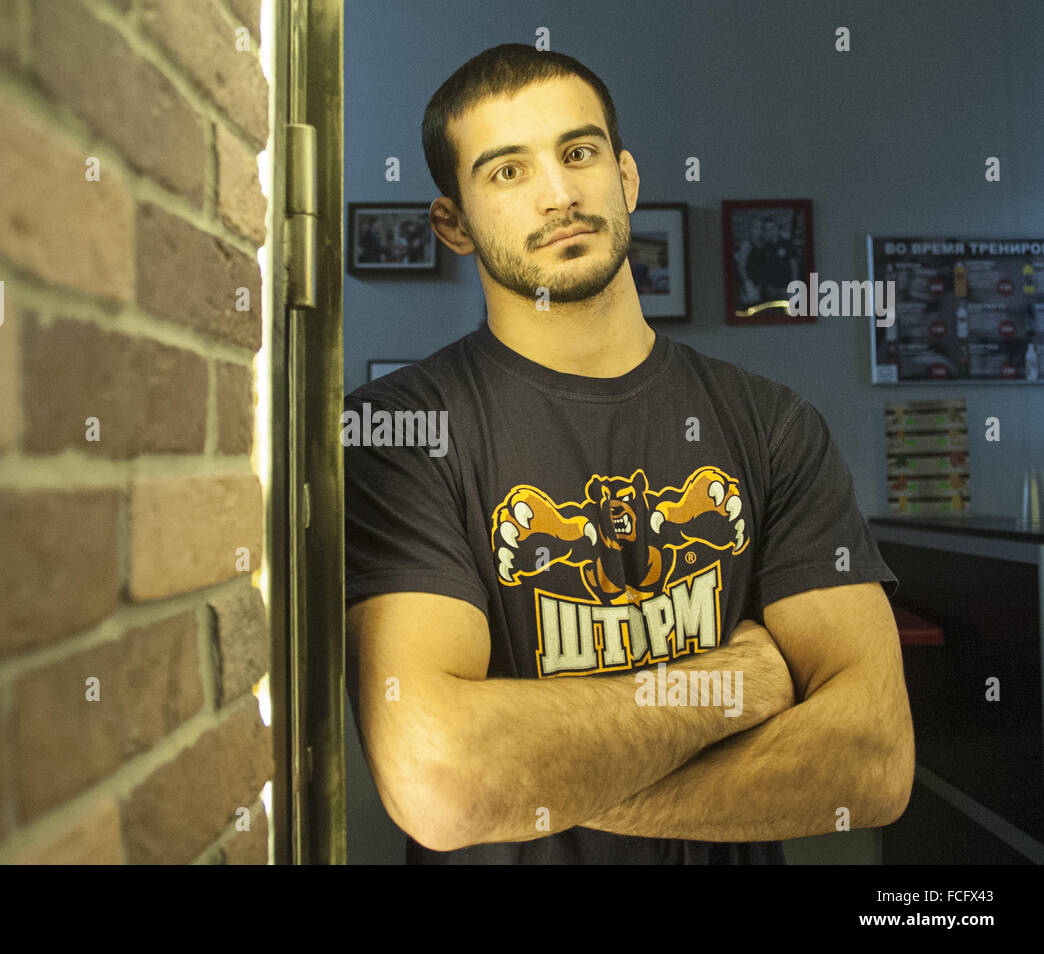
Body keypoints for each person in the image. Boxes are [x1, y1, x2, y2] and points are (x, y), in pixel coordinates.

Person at [343, 43, 914, 864]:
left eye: (579, 153)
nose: (559, 193)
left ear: (627, 176)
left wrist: (535, 788)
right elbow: (443, 778)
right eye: (508, 171)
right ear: (454, 225)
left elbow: (873, 761)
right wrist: (734, 686)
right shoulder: (398, 433)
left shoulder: (773, 425)